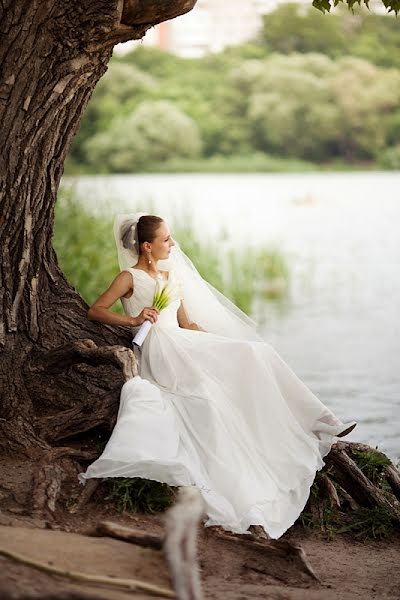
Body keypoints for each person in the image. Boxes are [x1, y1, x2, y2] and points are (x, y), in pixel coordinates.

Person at [79, 212, 356, 539]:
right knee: (212, 397)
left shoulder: (171, 277)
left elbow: (187, 324)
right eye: (166, 239)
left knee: (256, 353)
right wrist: (133, 320)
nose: (172, 244)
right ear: (146, 246)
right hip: (158, 349)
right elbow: (95, 310)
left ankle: (319, 419)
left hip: (182, 341)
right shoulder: (129, 277)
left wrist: (219, 342)